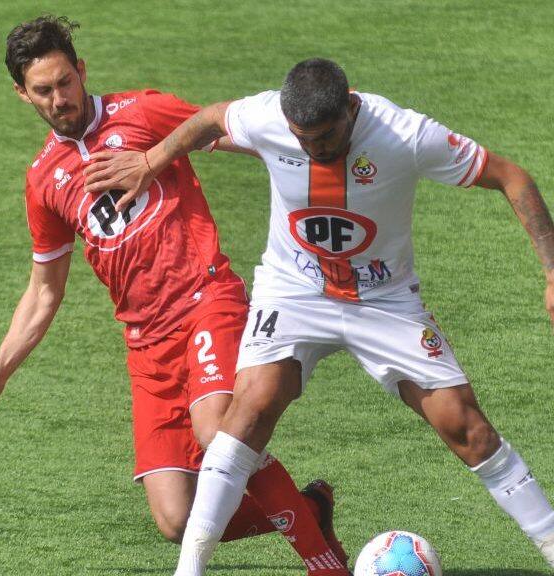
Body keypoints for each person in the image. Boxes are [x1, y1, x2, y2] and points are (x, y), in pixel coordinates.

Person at [83, 58, 554, 574]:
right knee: (247, 414)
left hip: (384, 300)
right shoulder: (269, 117)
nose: (314, 151)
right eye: (302, 139)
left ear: (350, 108)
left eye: (325, 139)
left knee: (467, 429)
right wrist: (152, 160)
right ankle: (189, 570)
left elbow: (511, 177)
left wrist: (552, 272)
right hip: (295, 292)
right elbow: (214, 118)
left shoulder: (406, 134)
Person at [0, 18, 352, 576]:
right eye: (43, 90)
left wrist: (315, 157)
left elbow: (233, 133)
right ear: (22, 94)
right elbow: (44, 291)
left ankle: (326, 565)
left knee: (217, 433)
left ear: (81, 71)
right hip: (147, 347)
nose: (60, 99)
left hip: (207, 299)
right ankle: (307, 509)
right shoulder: (44, 181)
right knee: (176, 519)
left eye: (65, 81)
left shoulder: (141, 112)